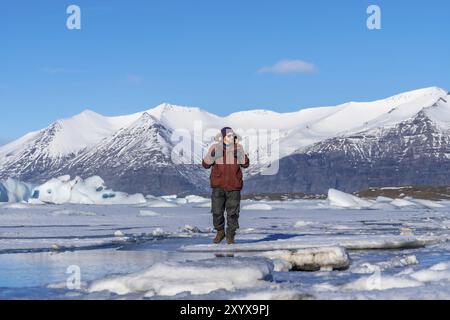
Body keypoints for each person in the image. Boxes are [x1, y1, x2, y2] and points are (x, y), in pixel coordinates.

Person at [202, 127, 250, 244]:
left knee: (233, 213)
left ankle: (230, 235)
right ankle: (220, 232)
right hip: (218, 186)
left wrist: (240, 155)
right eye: (228, 135)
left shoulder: (238, 148)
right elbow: (205, 165)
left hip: (234, 186)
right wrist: (212, 155)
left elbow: (246, 164)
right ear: (223, 137)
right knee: (217, 211)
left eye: (232, 135)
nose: (230, 137)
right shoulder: (215, 148)